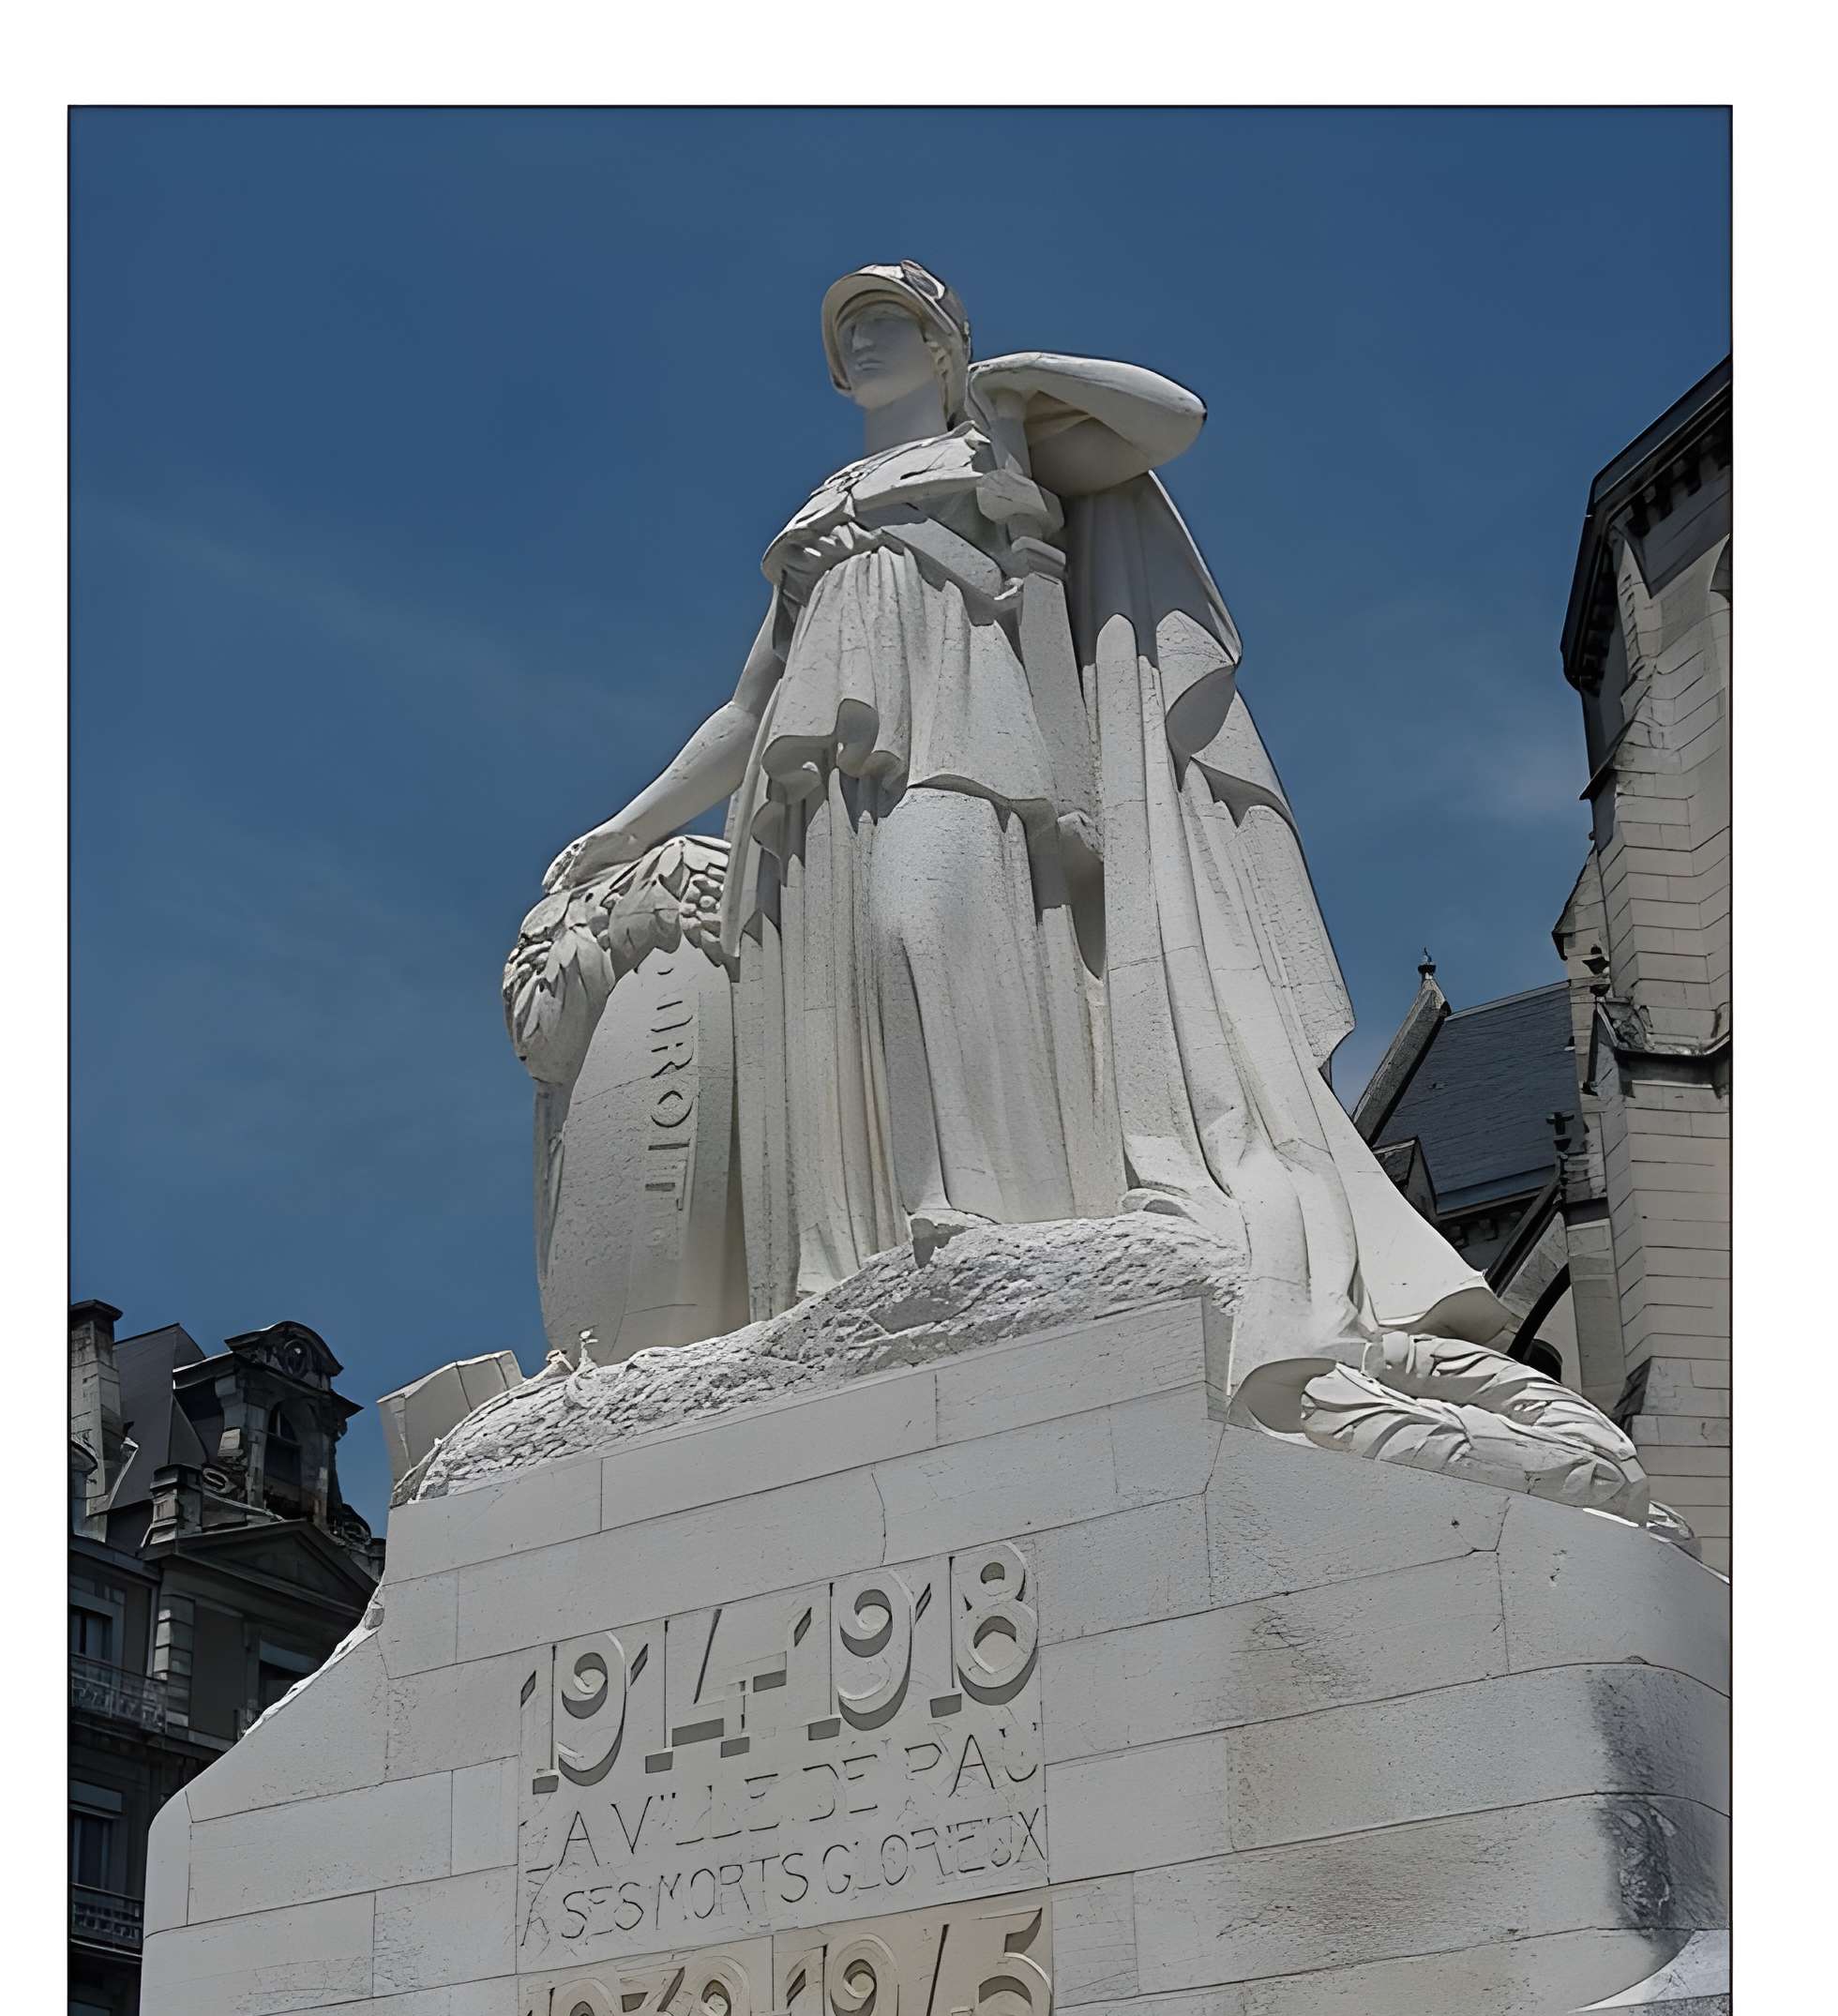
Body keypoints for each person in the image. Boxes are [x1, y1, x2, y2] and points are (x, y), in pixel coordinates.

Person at [547, 260, 1504, 1400]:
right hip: (810, 797)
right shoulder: (816, 517)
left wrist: (1020, 379)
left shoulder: (991, 453)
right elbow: (748, 709)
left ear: (942, 342)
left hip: (961, 737)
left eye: (888, 320)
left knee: (921, 933)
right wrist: (623, 826)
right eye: (845, 326)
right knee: (831, 1007)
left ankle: (982, 1215)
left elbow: (1170, 421)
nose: (860, 341)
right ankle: (848, 1266)